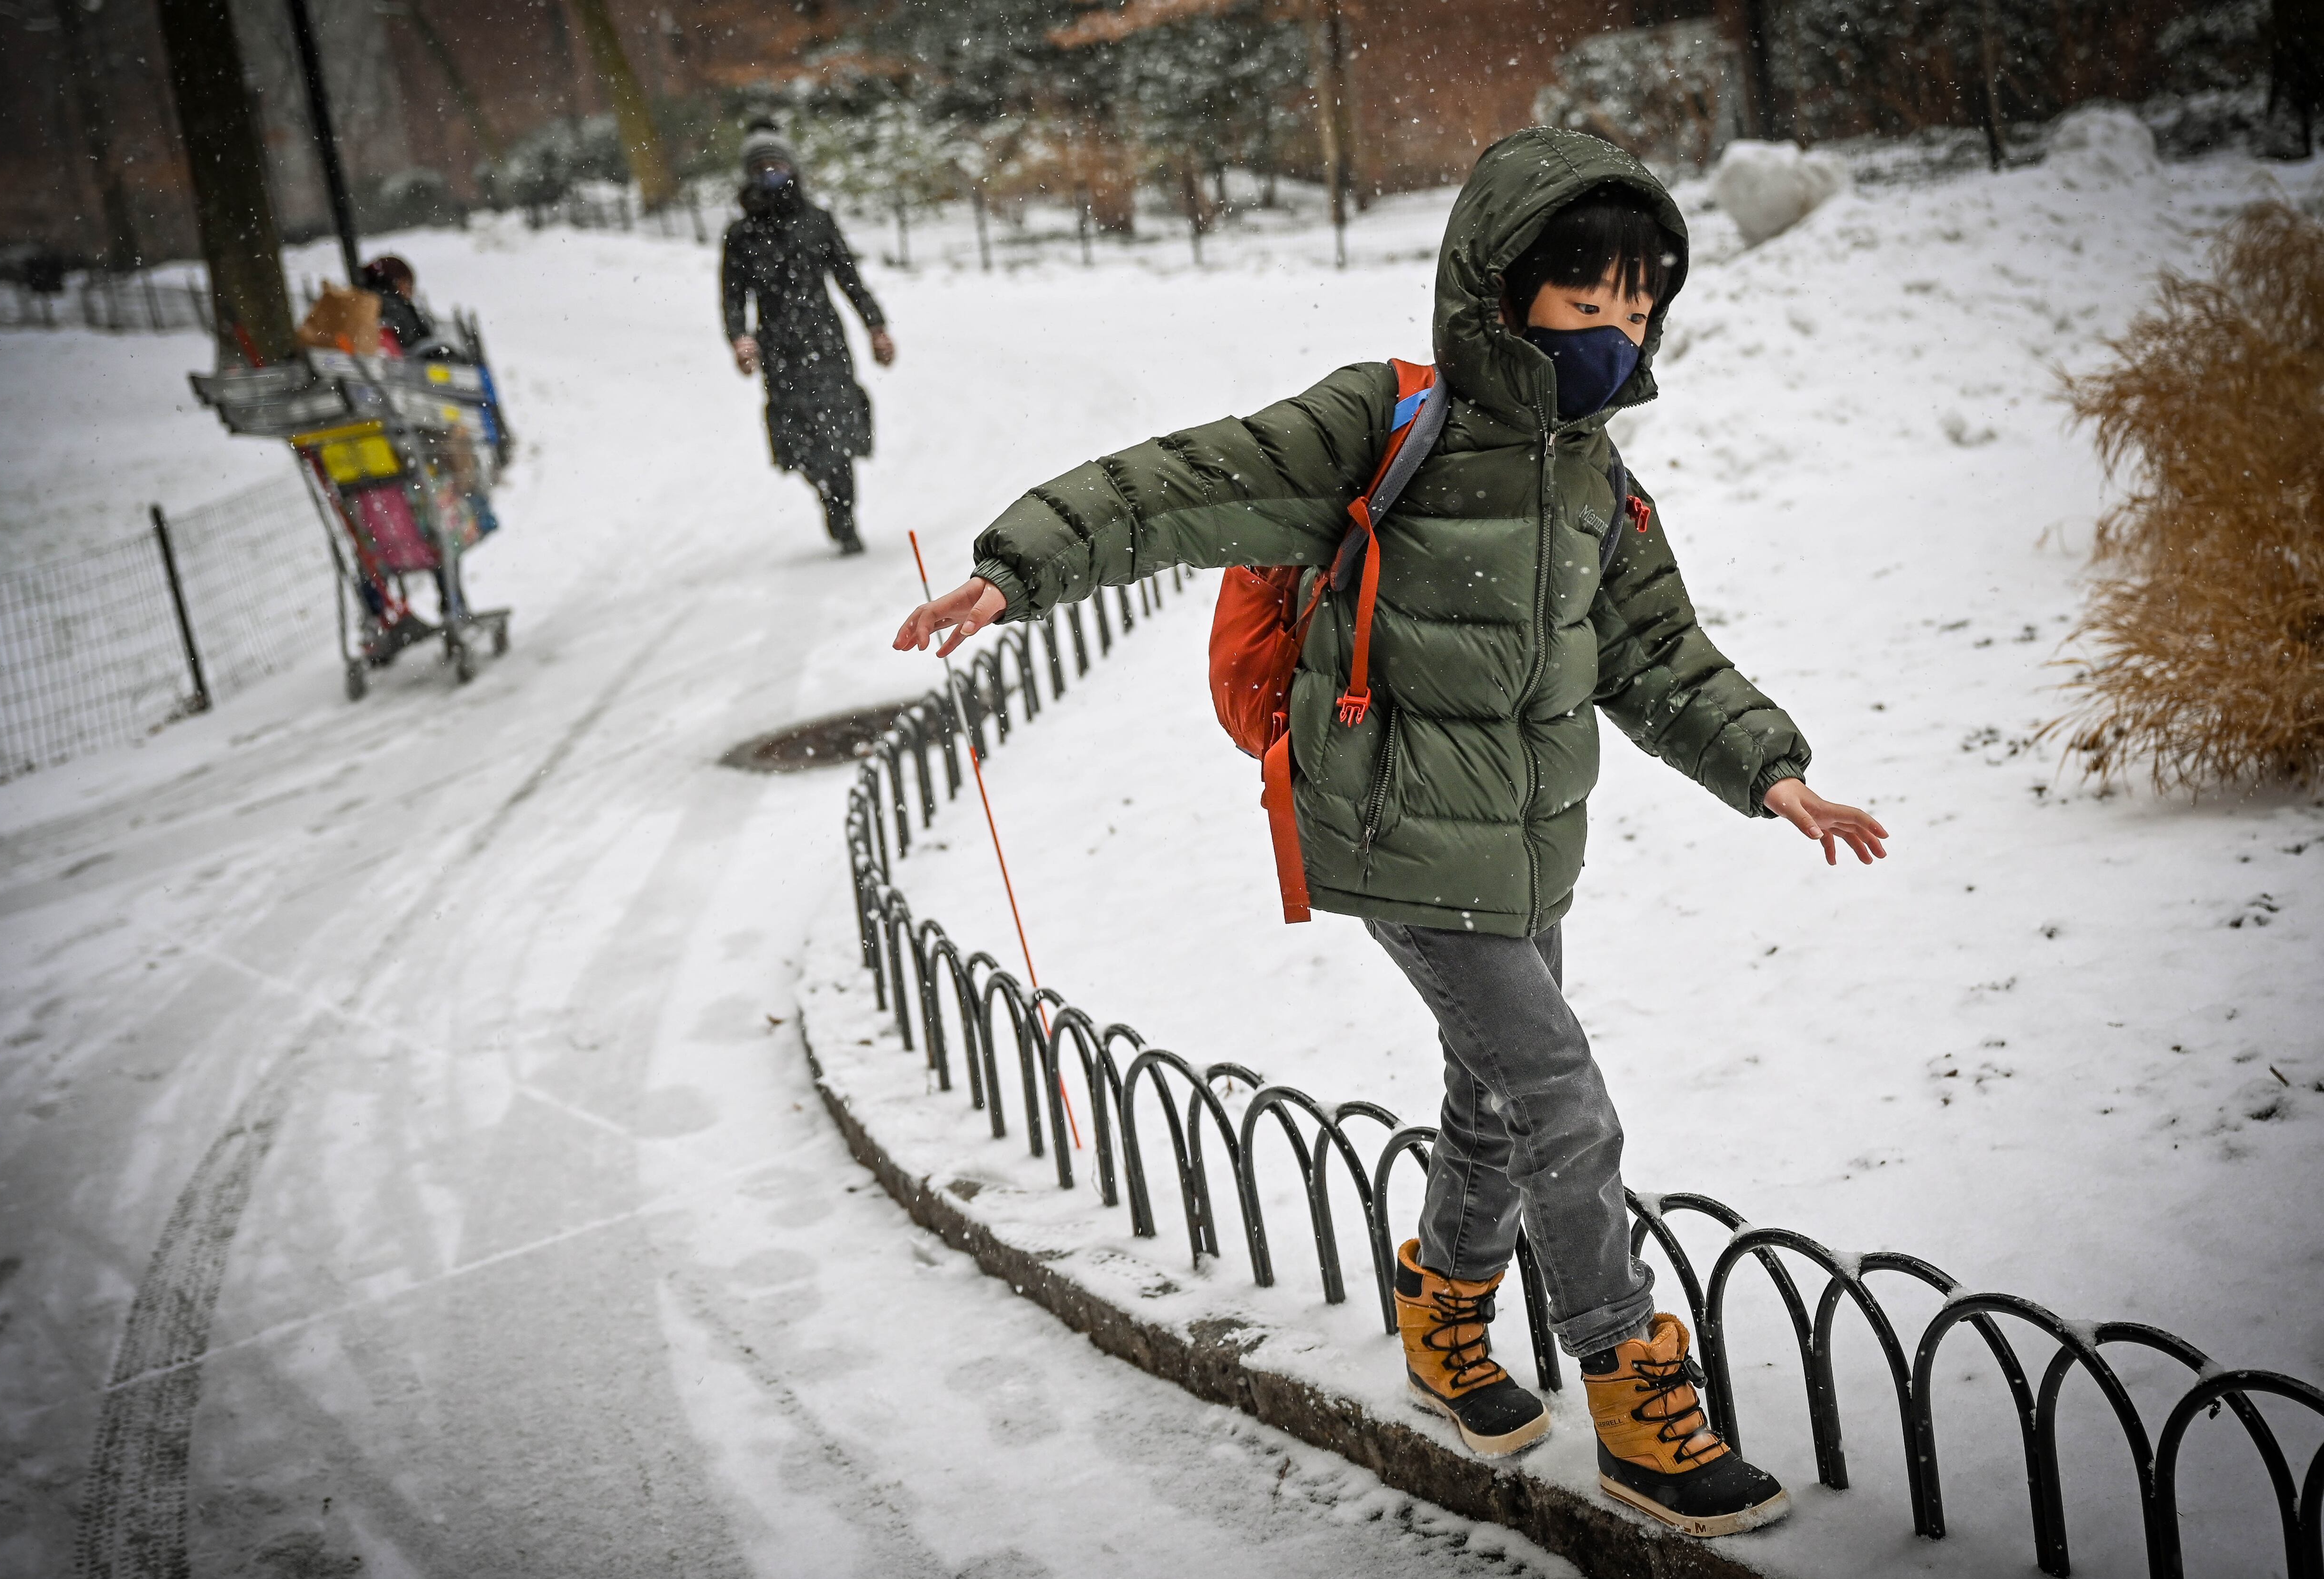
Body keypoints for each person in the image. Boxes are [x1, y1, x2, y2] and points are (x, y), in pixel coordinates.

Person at [894, 127, 1891, 1541]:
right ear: (1503, 289)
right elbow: (1180, 485)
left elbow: (1659, 657)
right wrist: (1019, 567)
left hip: (1527, 840)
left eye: (1635, 305)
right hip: (1394, 828)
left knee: (1491, 1097)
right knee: (1559, 1098)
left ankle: (1441, 1322)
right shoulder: (1385, 420)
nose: (1615, 330)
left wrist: (1770, 772)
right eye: (1584, 299)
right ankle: (1633, 1394)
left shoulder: (1597, 479)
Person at [721, 123, 895, 555]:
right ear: (750, 175)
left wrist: (876, 326)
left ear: (791, 168)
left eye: (776, 164)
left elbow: (849, 278)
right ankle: (826, 491)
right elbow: (731, 295)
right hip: (778, 347)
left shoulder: (818, 221)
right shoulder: (742, 235)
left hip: (826, 340)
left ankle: (844, 511)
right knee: (798, 437)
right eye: (761, 167)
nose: (770, 173)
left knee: (838, 430)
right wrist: (739, 339)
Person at [357, 255, 439, 357]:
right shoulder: (393, 308)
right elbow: (411, 341)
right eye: (409, 283)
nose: (412, 291)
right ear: (394, 283)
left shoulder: (372, 302)